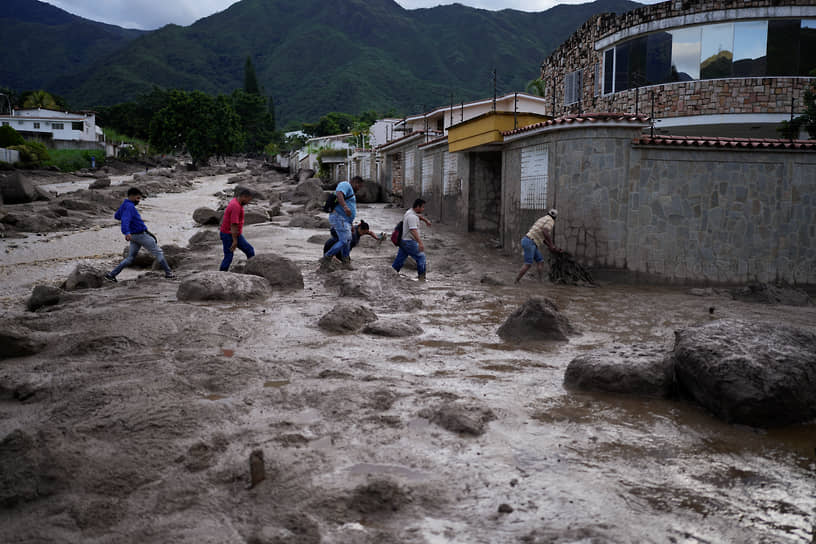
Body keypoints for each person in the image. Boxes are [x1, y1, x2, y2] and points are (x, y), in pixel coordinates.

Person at [105, 187, 176, 282]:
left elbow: (117, 216)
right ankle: (169, 273)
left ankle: (111, 275)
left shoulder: (125, 204)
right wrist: (126, 232)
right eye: (137, 198)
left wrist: (130, 226)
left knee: (130, 258)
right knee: (158, 252)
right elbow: (125, 220)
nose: (138, 201)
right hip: (140, 235)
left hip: (134, 236)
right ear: (131, 196)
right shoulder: (129, 207)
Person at [322, 175, 364, 264]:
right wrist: (345, 207)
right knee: (344, 241)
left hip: (344, 220)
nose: (359, 189)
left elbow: (350, 207)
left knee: (348, 240)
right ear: (355, 182)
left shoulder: (351, 191)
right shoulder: (345, 184)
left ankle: (345, 259)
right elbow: (339, 193)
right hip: (339, 217)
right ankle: (328, 256)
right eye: (359, 186)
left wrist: (351, 224)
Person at [515, 208, 559, 283]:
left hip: (530, 241)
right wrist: (551, 244)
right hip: (530, 242)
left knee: (540, 261)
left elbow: (543, 238)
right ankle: (516, 281)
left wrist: (550, 246)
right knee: (528, 264)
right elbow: (545, 232)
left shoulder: (543, 218)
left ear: (548, 213)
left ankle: (540, 281)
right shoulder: (551, 221)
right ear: (555, 217)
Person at [392, 198, 429, 281]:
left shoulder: (409, 212)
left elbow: (418, 216)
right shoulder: (412, 217)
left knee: (400, 259)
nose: (423, 209)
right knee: (421, 257)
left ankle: (392, 273)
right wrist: (420, 243)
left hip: (403, 241)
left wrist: (425, 220)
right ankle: (422, 278)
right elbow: (413, 230)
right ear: (417, 207)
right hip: (409, 242)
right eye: (422, 207)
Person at [219, 188, 255, 271]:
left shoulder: (236, 201)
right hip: (229, 234)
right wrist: (235, 241)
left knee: (249, 250)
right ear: (243, 197)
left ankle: (251, 269)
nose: (248, 203)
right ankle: (222, 273)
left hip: (233, 233)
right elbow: (234, 224)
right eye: (248, 200)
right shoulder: (236, 206)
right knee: (229, 256)